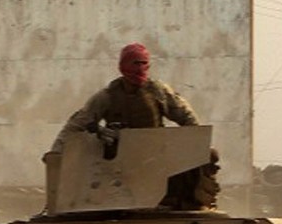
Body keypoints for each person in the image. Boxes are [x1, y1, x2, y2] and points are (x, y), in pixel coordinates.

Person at [49, 42, 200, 154]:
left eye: (143, 63)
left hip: (155, 154)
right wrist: (56, 151)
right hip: (119, 158)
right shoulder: (107, 97)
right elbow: (78, 123)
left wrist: (200, 144)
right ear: (124, 66)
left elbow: (185, 115)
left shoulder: (158, 91)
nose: (139, 68)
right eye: (135, 63)